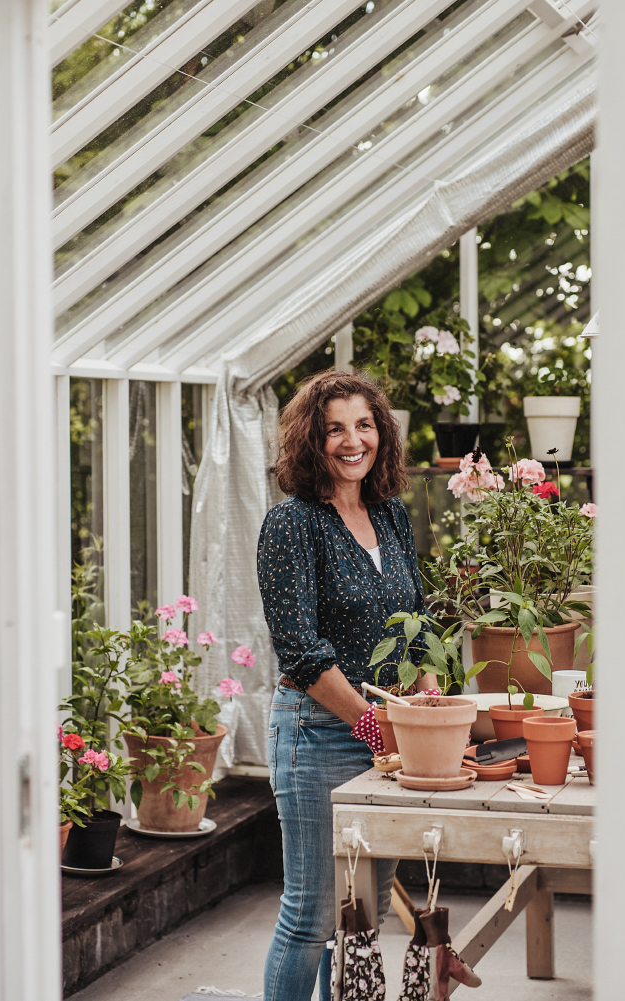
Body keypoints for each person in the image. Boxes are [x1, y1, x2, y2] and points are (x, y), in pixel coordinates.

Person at [258, 370, 430, 1000]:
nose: (352, 441)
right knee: (312, 917)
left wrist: (428, 698)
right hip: (320, 737)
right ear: (311, 440)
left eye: (364, 425)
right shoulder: (293, 523)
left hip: (387, 737)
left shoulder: (389, 514)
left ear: (381, 433)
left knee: (364, 917)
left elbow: (416, 620)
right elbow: (301, 652)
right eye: (335, 429)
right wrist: (373, 725)